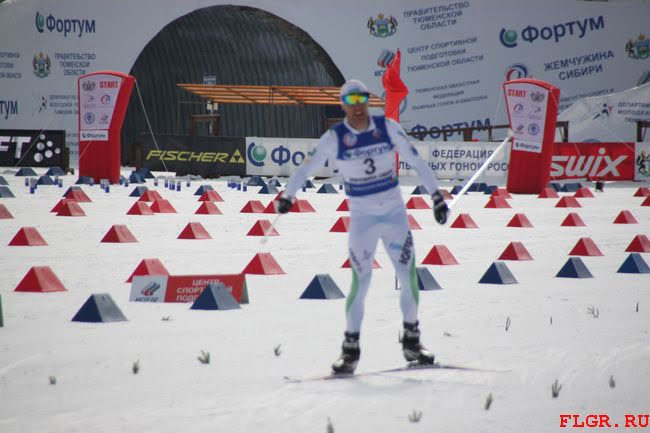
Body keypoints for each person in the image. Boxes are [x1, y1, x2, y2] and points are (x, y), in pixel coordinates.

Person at [276, 79, 449, 374]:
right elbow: (306, 168)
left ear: (368, 101)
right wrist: (287, 196)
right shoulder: (335, 137)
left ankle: (412, 341)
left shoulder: (387, 127)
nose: (357, 107)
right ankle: (350, 351)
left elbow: (417, 161)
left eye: (362, 99)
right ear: (343, 105)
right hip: (363, 222)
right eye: (351, 101)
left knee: (408, 277)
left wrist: (436, 198)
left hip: (394, 217)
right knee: (361, 282)